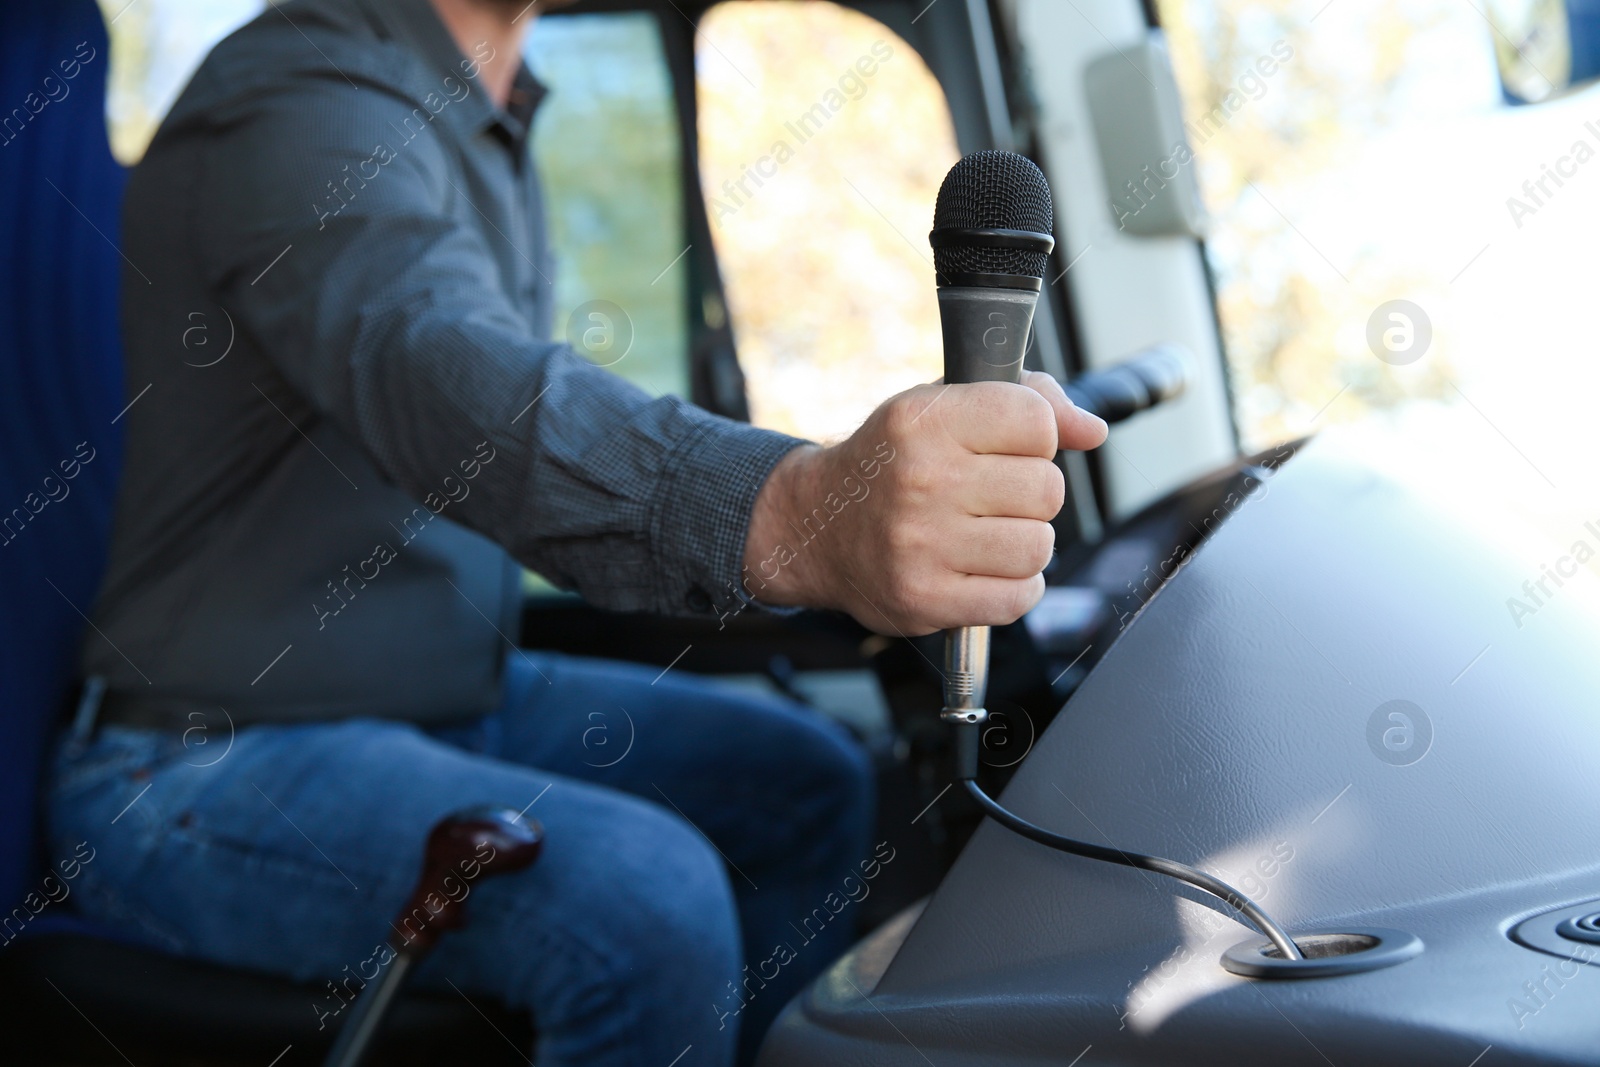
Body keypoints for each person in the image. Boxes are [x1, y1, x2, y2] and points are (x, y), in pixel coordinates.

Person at [46, 0, 1107, 1063]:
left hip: (444, 697)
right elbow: (444, 376)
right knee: (651, 899)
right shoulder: (295, 94)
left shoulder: (490, 108)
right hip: (194, 759)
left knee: (808, 782)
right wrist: (792, 511)